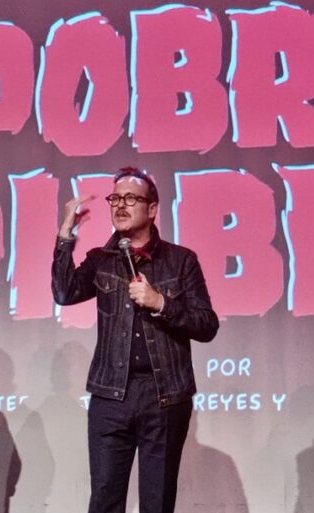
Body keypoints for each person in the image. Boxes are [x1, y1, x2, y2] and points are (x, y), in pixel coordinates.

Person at [52, 167, 219, 513]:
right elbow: (64, 292)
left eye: (131, 198)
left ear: (153, 208)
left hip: (165, 396)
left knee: (156, 501)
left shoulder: (181, 260)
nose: (120, 205)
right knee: (104, 499)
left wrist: (161, 303)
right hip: (111, 395)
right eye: (115, 198)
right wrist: (65, 234)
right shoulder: (101, 260)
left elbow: (207, 325)